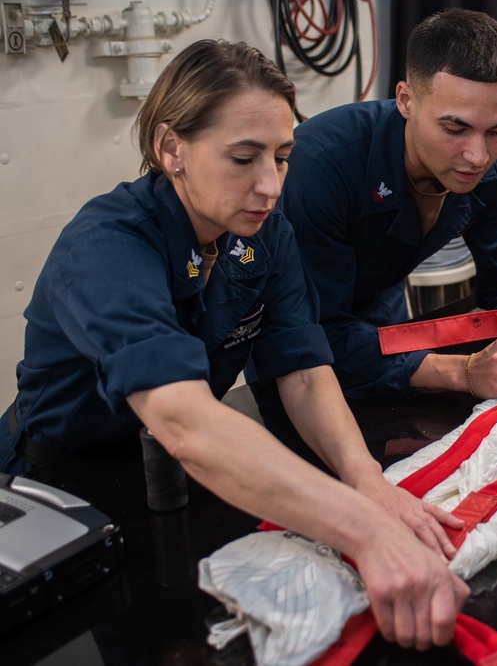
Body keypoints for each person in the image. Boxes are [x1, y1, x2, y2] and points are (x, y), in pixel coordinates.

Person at [1, 39, 468, 651]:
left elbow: (301, 366)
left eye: (282, 157)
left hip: (174, 476)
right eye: (244, 159)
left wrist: (366, 482)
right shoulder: (107, 246)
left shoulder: (262, 232)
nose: (271, 185)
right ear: (172, 149)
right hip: (61, 485)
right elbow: (185, 419)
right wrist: (364, 531)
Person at [269, 8, 497, 402]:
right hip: (296, 346)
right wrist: (461, 371)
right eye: (455, 128)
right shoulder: (319, 167)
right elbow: (312, 332)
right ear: (405, 100)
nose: (478, 156)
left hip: (386, 318)